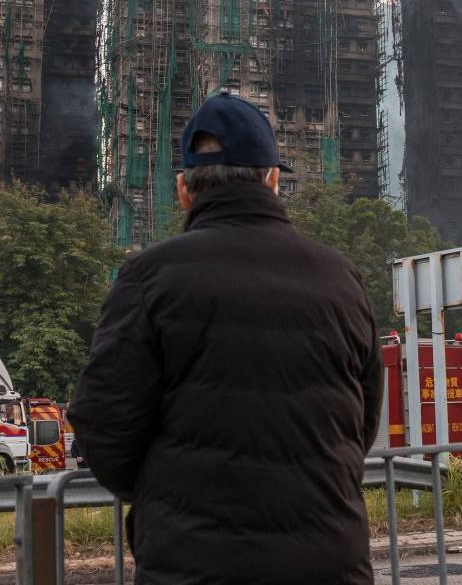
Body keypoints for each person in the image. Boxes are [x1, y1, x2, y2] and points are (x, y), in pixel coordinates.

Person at [70, 92, 382, 584]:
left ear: (183, 190)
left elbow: (104, 426)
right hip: (331, 563)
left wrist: (167, 493)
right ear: (273, 180)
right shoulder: (342, 279)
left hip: (192, 564)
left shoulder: (148, 278)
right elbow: (362, 421)